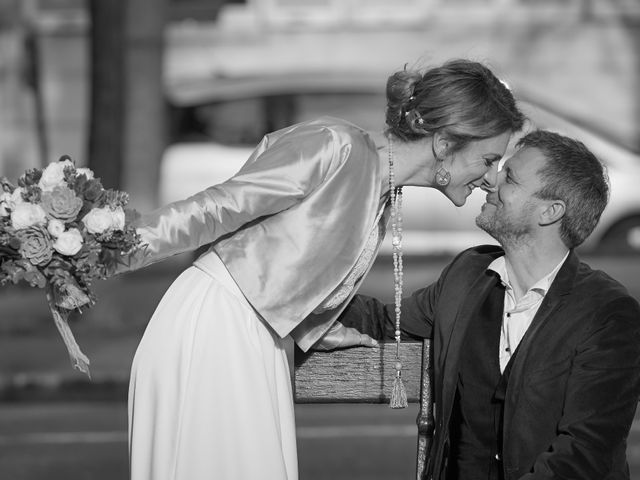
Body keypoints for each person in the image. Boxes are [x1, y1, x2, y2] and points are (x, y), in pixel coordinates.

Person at [115, 59, 525, 480]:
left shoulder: (383, 193)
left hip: (256, 338)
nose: (491, 179)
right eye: (489, 158)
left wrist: (320, 328)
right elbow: (215, 210)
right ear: (444, 143)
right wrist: (103, 249)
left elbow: (289, 266)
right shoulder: (335, 145)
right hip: (215, 327)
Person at [339, 129, 640, 479]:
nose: (489, 182)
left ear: (550, 211)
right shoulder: (468, 273)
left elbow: (583, 455)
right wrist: (294, 292)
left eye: (509, 177)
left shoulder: (609, 314)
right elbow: (383, 321)